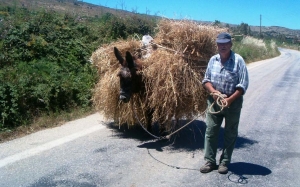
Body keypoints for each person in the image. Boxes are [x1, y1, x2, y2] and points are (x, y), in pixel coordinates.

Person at [200, 32, 249, 174]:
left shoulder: (239, 60)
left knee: (230, 132)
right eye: (220, 43)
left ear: (231, 44)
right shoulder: (213, 60)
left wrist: (230, 100)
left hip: (233, 102)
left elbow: (243, 85)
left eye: (225, 43)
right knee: (211, 130)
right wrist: (214, 93)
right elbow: (206, 80)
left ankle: (225, 162)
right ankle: (210, 161)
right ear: (216, 45)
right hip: (215, 101)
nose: (223, 46)